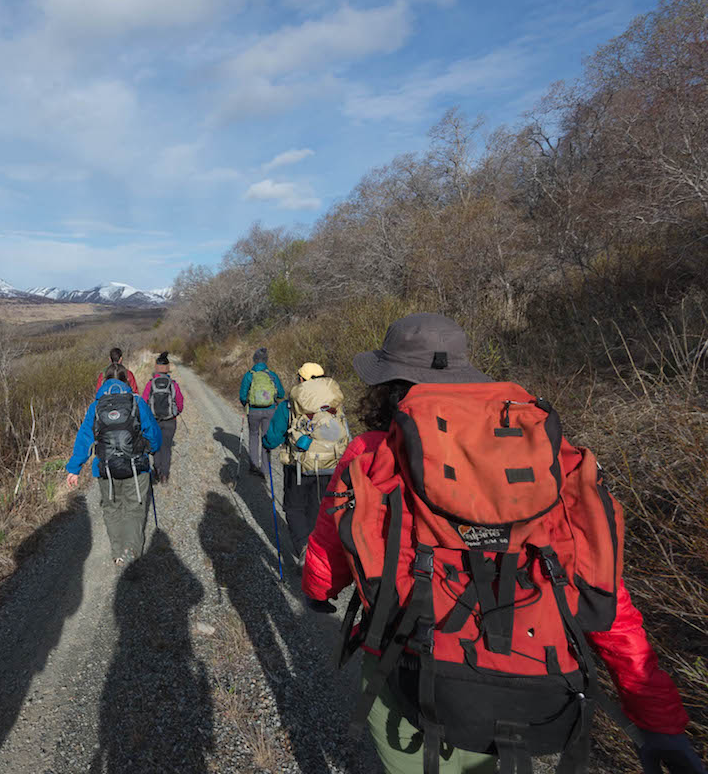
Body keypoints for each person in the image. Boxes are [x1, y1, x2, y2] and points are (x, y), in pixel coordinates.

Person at [301, 315, 704, 774]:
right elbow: (601, 591)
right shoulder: (546, 457)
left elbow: (330, 547)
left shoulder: (373, 453)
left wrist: (318, 592)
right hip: (527, 675)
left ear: (388, 383)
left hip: (409, 668)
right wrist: (657, 718)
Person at [66, 362, 162, 566]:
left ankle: (117, 553)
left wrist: (74, 469)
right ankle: (132, 552)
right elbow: (153, 434)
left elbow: (84, 437)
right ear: (127, 381)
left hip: (105, 469)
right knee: (135, 509)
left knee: (112, 509)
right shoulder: (137, 402)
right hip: (136, 467)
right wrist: (152, 449)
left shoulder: (96, 406)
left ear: (103, 381)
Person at [261, 362, 349, 563]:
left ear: (301, 379)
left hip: (299, 467)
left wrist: (266, 443)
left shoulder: (291, 403)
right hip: (330, 465)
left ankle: (304, 548)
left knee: (294, 508)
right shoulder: (334, 403)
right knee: (317, 509)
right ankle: (318, 554)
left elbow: (273, 438)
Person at [239, 347, 285, 477]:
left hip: (253, 410)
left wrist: (246, 404)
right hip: (270, 410)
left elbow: (242, 396)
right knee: (266, 437)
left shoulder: (249, 375)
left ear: (254, 360)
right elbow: (281, 393)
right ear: (266, 360)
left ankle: (254, 466)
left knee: (254, 436)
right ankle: (265, 469)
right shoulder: (272, 375)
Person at [141, 351, 185, 484]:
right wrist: (175, 413)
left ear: (156, 368)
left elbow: (143, 402)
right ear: (167, 368)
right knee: (166, 448)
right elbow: (180, 403)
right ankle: (165, 476)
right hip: (170, 421)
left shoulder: (150, 384)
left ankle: (157, 471)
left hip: (154, 421)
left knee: (155, 447)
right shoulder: (173, 384)